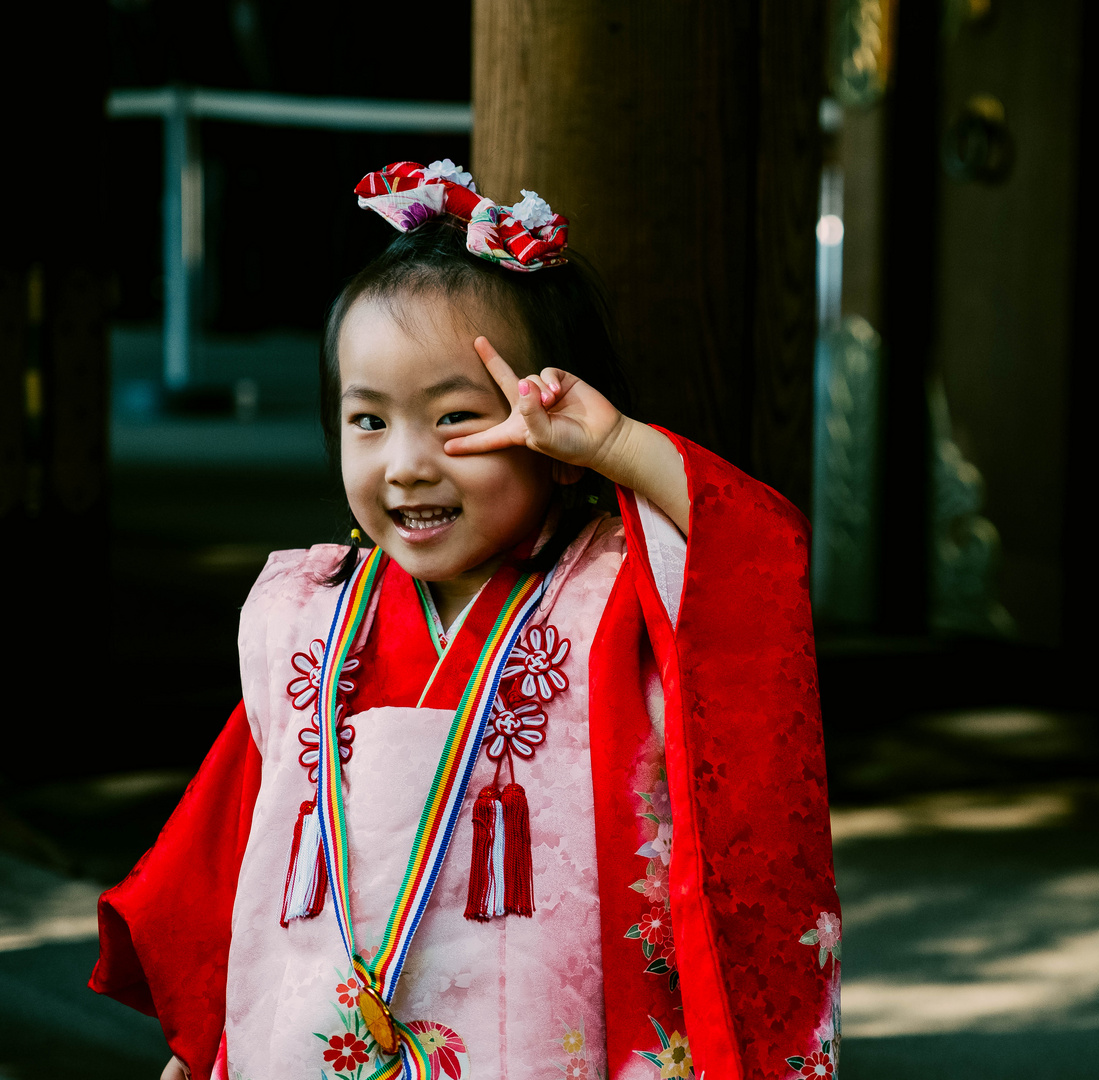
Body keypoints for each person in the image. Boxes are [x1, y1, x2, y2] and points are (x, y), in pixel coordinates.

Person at [90, 160, 842, 1080]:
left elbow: (756, 560)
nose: (406, 464)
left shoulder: (613, 595)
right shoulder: (304, 617)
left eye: (455, 419)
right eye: (369, 421)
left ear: (548, 435)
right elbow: (233, 845)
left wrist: (614, 446)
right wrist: (203, 1040)